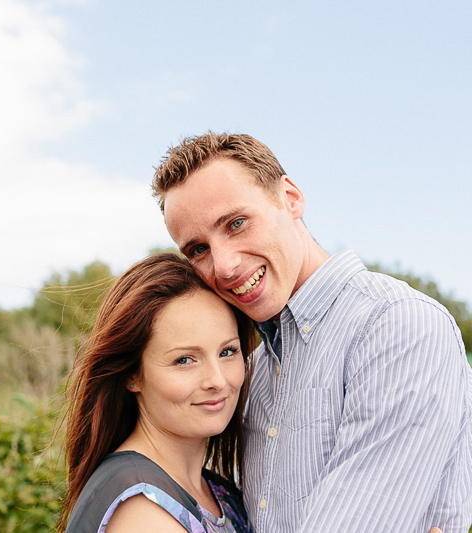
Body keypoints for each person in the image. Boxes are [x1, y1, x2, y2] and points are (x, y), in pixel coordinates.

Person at [152, 132, 472, 532]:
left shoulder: (397, 327)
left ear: (290, 198)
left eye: (236, 223)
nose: (225, 266)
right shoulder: (252, 370)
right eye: (198, 249)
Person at [59, 253, 257, 532]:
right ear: (132, 375)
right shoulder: (140, 509)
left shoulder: (215, 491)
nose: (217, 380)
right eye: (184, 360)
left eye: (227, 352)